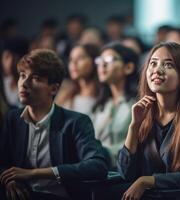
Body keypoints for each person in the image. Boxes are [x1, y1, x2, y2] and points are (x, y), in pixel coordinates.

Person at [0, 49, 108, 200]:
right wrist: (9, 180)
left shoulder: (75, 122)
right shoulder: (13, 118)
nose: (24, 83)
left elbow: (98, 166)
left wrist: (35, 173)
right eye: (22, 76)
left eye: (35, 78)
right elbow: (3, 162)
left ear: (54, 88)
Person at [117, 42, 180, 200]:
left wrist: (147, 181)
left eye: (168, 65)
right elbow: (125, 173)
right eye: (153, 63)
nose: (157, 70)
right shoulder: (143, 112)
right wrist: (134, 127)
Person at [92, 43, 139, 168]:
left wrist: (102, 153)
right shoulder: (101, 105)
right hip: (98, 168)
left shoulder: (138, 103)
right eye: (100, 60)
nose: (103, 64)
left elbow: (139, 143)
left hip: (125, 170)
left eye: (109, 59)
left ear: (128, 67)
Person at [55, 44, 99, 116]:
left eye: (80, 58)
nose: (74, 63)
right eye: (71, 59)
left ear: (94, 61)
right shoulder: (66, 93)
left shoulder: (103, 95)